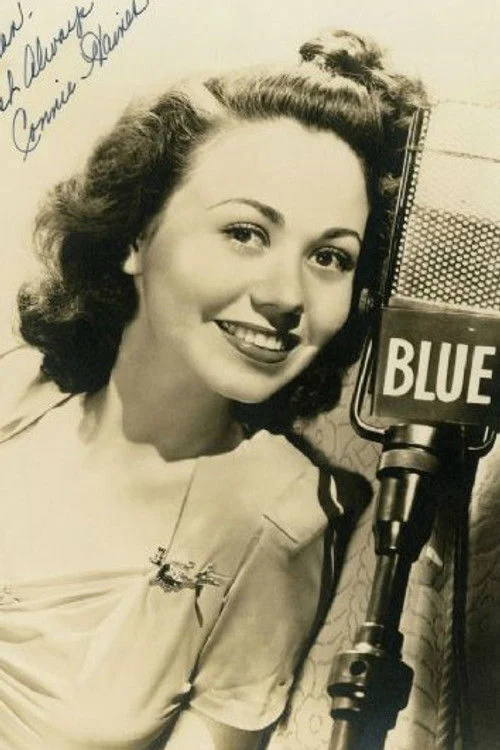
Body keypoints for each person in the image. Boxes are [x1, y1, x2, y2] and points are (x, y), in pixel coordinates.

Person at [0, 29, 426, 750]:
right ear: (135, 237)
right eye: (246, 232)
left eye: (330, 256)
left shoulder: (282, 519)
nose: (285, 294)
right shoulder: (16, 393)